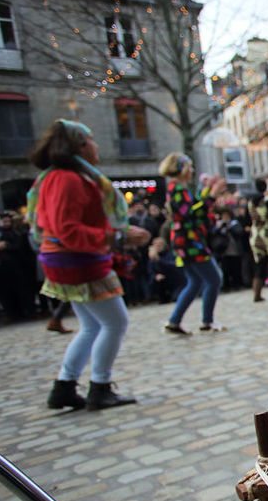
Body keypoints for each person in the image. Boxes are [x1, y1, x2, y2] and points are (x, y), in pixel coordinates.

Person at [25, 119, 149, 411]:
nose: (96, 145)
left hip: (71, 259)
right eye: (91, 139)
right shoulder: (67, 178)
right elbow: (67, 230)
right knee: (115, 322)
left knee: (92, 325)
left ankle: (64, 386)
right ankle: (100, 387)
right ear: (79, 145)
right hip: (78, 261)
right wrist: (117, 236)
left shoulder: (62, 177)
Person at [159, 154, 225, 335]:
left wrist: (208, 189)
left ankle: (174, 320)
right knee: (214, 278)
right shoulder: (176, 189)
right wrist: (211, 195)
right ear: (181, 169)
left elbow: (195, 204)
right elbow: (191, 213)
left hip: (185, 240)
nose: (192, 171)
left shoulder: (179, 188)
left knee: (195, 281)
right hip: (189, 241)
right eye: (189, 167)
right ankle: (207, 321)